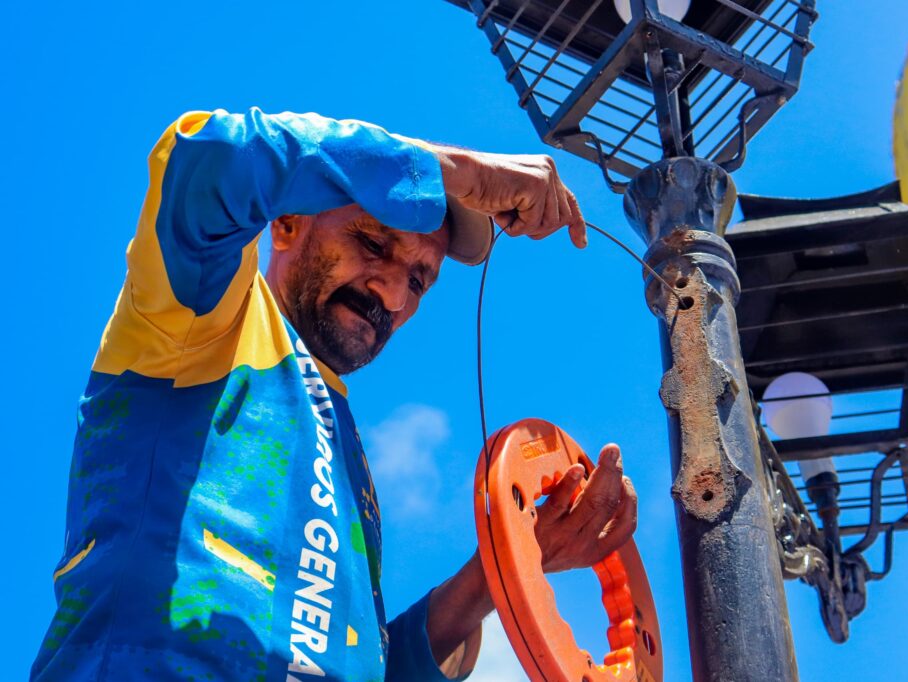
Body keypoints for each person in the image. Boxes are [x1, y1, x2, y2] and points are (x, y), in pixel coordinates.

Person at [32, 108, 638, 681]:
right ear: (287, 222)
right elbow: (210, 160)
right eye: (374, 244)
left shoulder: (346, 457)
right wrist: (460, 174)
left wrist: (502, 571)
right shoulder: (204, 320)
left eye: (419, 280)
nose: (393, 296)